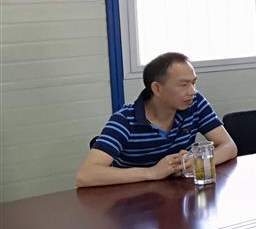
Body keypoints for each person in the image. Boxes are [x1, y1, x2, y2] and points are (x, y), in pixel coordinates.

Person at [77, 52, 237, 187]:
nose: (192, 91)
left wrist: (196, 162)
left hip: (178, 197)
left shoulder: (195, 104)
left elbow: (229, 146)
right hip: (133, 203)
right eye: (183, 85)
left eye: (193, 83)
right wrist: (151, 172)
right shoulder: (125, 120)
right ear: (157, 88)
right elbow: (85, 175)